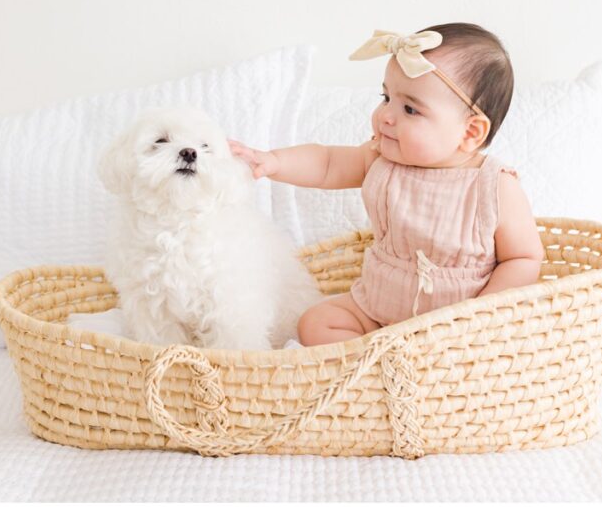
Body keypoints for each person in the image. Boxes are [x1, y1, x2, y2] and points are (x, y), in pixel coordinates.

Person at [228, 23, 544, 346]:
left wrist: (481, 314)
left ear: (470, 132)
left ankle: (406, 364)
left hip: (451, 329)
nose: (385, 116)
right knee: (316, 323)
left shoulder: (493, 187)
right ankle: (377, 367)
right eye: (386, 97)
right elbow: (327, 163)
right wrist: (274, 162)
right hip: (375, 311)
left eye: (409, 109)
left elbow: (523, 258)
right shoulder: (381, 158)